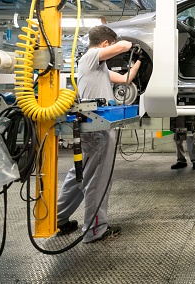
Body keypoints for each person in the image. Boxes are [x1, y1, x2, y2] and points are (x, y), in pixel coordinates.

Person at [57, 25, 142, 242]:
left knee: (79, 175)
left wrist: (140, 60)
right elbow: (122, 45)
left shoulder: (99, 69)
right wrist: (131, 44)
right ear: (105, 44)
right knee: (97, 179)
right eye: (111, 46)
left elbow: (126, 79)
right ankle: (95, 230)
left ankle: (59, 218)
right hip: (97, 130)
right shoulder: (91, 57)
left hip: (93, 126)